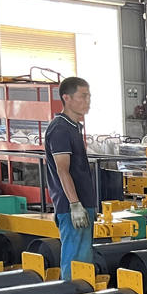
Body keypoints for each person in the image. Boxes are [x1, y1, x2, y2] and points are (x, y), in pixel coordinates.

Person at [45, 76, 95, 280]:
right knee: (75, 260)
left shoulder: (73, 127)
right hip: (73, 207)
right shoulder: (60, 129)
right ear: (66, 98)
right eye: (83, 96)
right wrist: (74, 205)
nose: (88, 101)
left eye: (89, 96)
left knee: (83, 258)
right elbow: (62, 170)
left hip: (82, 203)